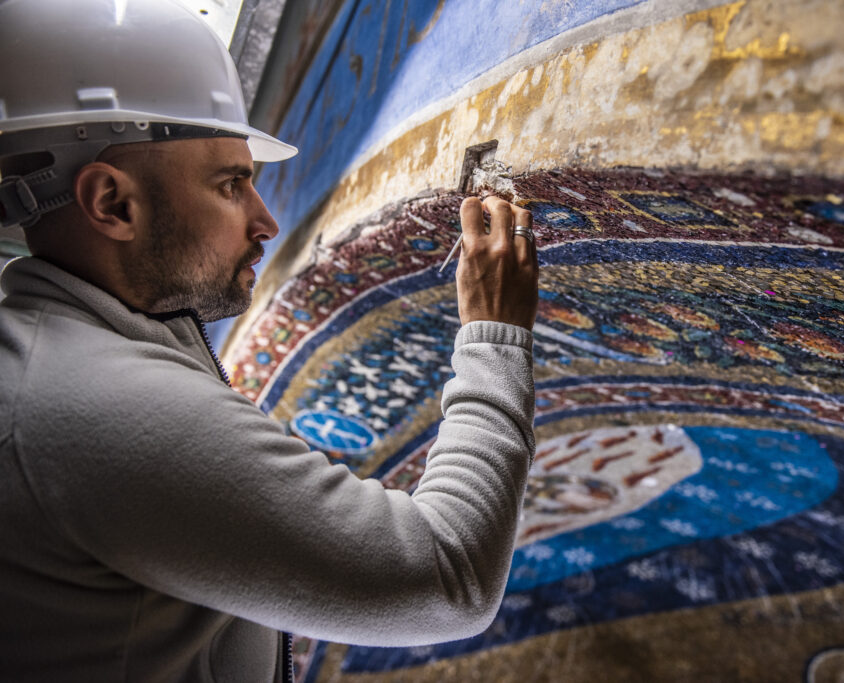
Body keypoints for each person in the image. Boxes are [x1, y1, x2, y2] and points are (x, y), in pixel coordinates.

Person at [0, 0, 538, 681]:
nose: (266, 220)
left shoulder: (58, 352)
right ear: (112, 203)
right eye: (232, 184)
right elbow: (448, 575)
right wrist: (495, 334)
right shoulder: (99, 409)